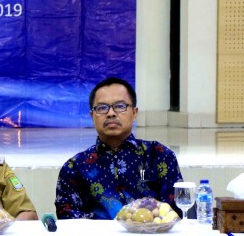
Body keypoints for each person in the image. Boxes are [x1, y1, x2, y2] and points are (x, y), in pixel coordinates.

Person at [55, 77, 184, 219]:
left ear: (134, 112)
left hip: (151, 233)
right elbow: (67, 218)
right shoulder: (75, 167)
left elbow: (176, 211)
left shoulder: (158, 156)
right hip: (98, 234)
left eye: (120, 106)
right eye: (102, 108)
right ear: (92, 116)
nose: (111, 113)